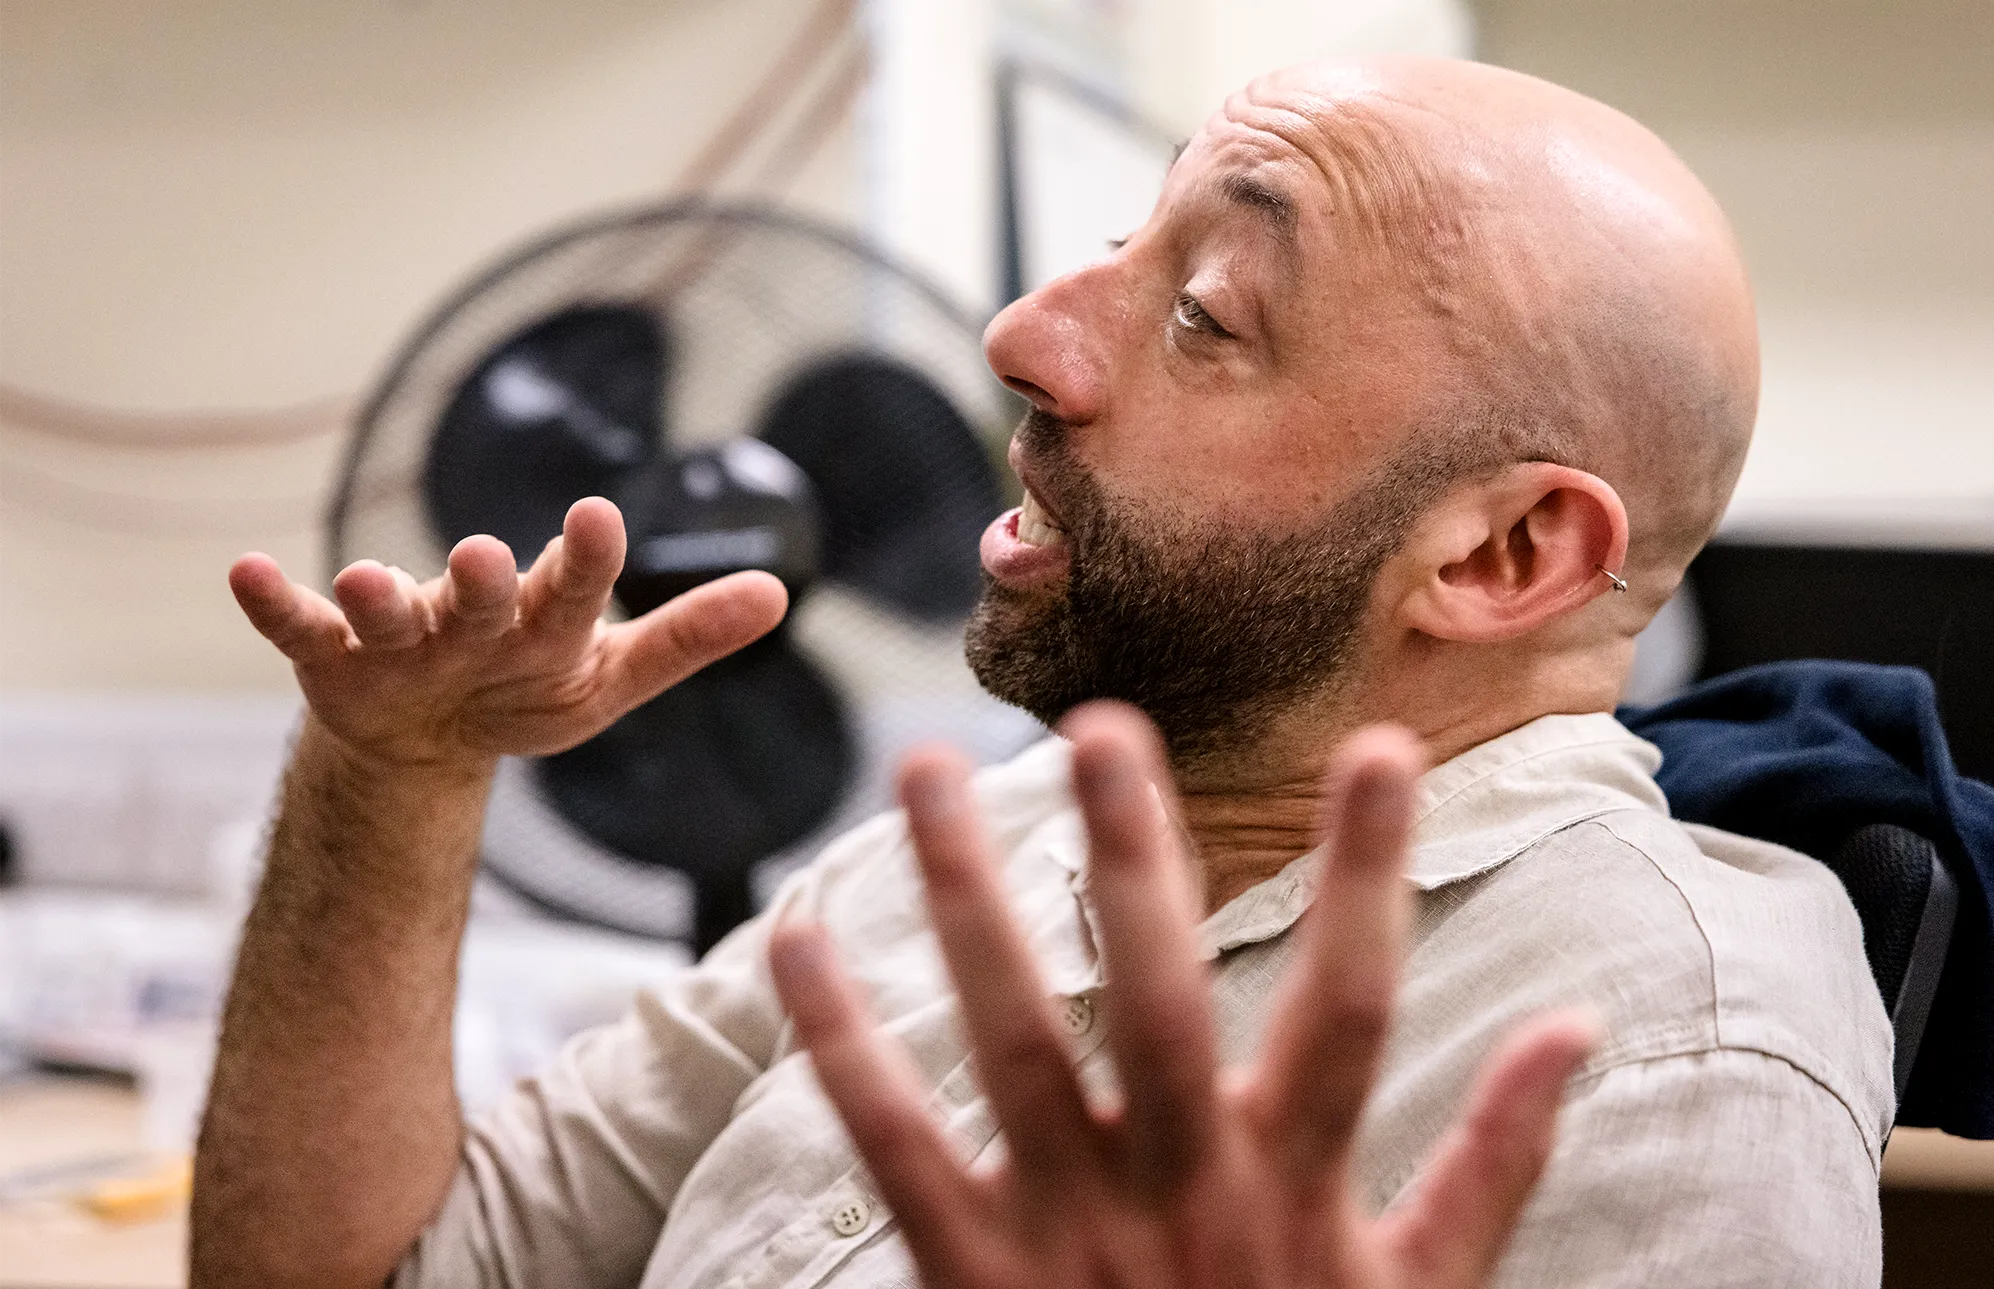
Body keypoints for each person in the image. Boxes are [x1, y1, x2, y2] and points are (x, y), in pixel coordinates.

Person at [191, 54, 1890, 1289]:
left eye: (1206, 317)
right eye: (1120, 248)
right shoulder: (985, 850)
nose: (1021, 337)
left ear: (1500, 555)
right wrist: (397, 779)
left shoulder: (1677, 1068)